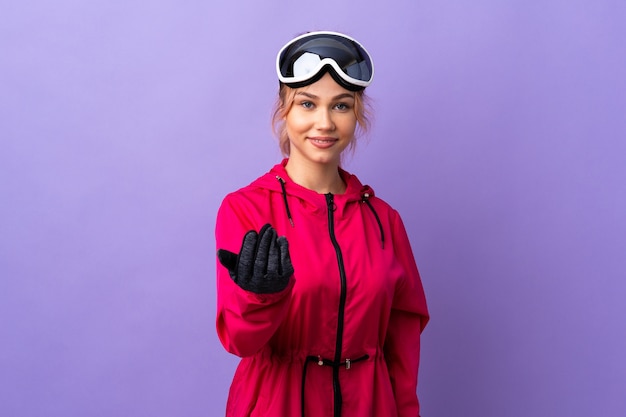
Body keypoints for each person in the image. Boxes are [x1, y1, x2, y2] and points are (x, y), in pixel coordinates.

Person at [215, 30, 429, 417]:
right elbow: (239, 341)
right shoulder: (246, 209)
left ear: (357, 114)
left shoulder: (385, 221)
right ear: (284, 110)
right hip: (277, 403)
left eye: (341, 106)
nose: (325, 122)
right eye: (308, 104)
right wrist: (260, 298)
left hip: (370, 405)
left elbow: (403, 344)